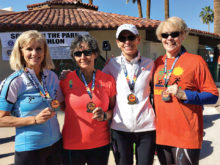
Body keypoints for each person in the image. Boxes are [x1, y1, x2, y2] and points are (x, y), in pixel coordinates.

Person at [153, 16, 219, 165]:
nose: (169, 38)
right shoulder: (158, 63)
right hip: (162, 135)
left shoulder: (196, 61)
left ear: (183, 35)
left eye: (174, 34)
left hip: (186, 135)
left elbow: (213, 96)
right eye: (165, 35)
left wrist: (186, 95)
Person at [0, 30, 64, 165]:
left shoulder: (52, 76)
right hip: (30, 149)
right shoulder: (14, 81)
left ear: (45, 51)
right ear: (21, 52)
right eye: (29, 48)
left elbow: (59, 103)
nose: (35, 53)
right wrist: (34, 120)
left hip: (55, 145)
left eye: (39, 48)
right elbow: (1, 119)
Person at [102, 24, 156, 165]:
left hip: (146, 127)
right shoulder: (111, 65)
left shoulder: (150, 64)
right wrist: (69, 75)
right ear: (118, 42)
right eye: (122, 38)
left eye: (131, 37)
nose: (127, 41)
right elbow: (96, 83)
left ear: (138, 39)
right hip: (120, 128)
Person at [60, 34, 116, 165]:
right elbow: (63, 106)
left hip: (100, 143)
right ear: (74, 57)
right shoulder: (65, 79)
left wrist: (104, 115)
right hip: (72, 144)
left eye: (87, 52)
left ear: (95, 54)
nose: (83, 57)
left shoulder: (108, 80)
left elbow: (113, 110)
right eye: (78, 54)